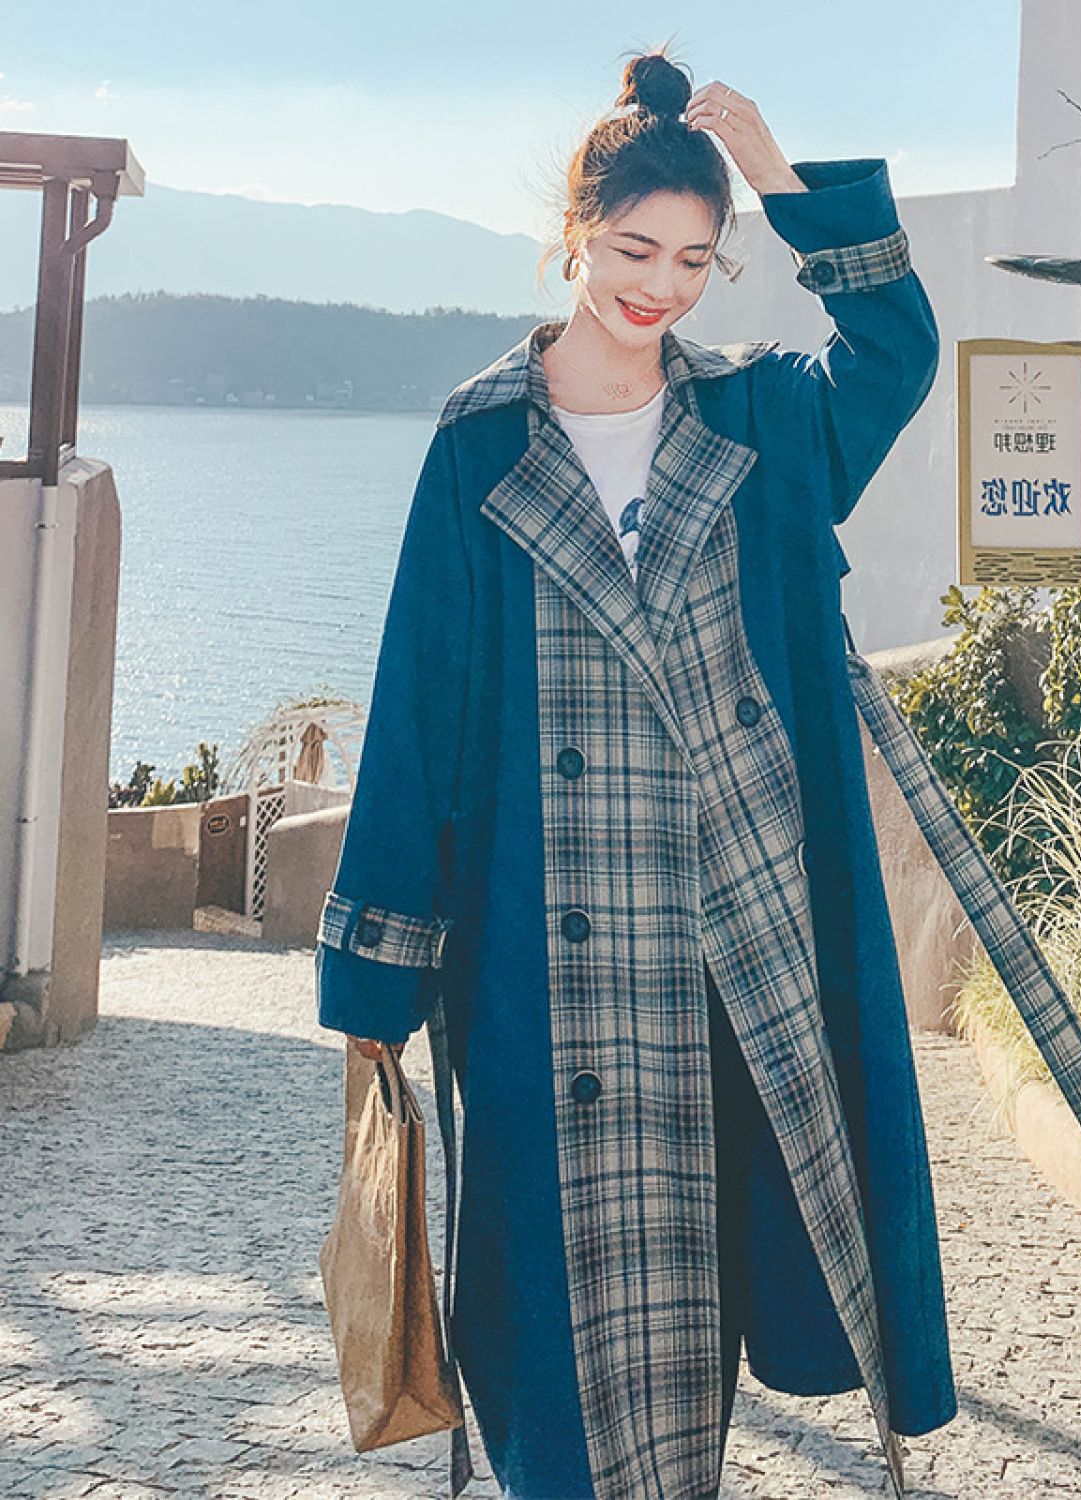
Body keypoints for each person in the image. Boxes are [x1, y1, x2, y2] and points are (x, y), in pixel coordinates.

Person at [317, 44, 954, 1500]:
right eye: (631, 250)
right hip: (546, 960)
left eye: (692, 258)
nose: (659, 286)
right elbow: (419, 702)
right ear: (574, 236)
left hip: (744, 938)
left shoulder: (757, 418)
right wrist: (375, 987)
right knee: (560, 1331)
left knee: (707, 1295)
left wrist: (786, 182)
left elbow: (898, 356)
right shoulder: (480, 439)